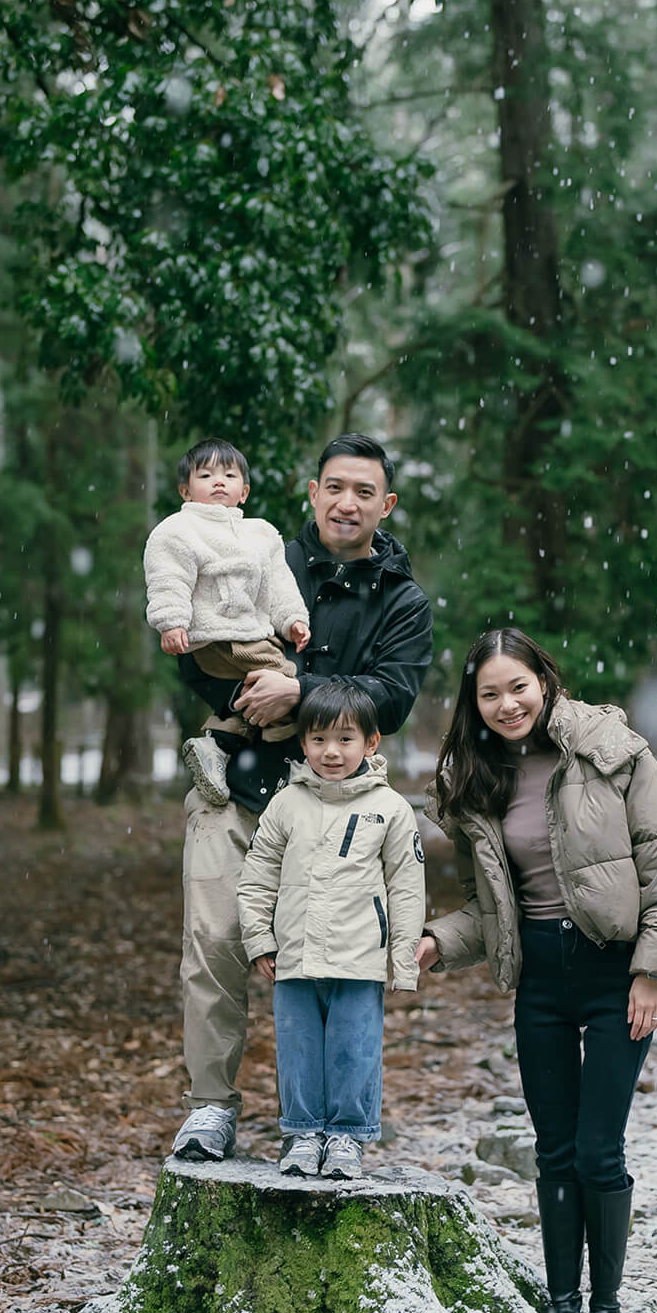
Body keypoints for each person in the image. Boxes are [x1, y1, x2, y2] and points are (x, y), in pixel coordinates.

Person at [416, 629, 657, 1313]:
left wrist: (654, 971)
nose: (507, 704)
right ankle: (561, 1302)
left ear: (544, 680)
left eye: (518, 686)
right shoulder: (476, 782)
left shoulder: (614, 752)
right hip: (541, 981)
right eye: (489, 694)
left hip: (617, 976)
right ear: (474, 705)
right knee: (553, 1150)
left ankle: (607, 1312)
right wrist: (435, 942)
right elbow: (489, 911)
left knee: (597, 1150)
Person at [171, 433, 433, 1163]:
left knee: (330, 965)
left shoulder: (402, 601)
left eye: (363, 492)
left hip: (337, 813)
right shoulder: (258, 556)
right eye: (334, 487)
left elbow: (395, 693)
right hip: (237, 783)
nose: (346, 503)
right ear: (312, 492)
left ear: (386, 504)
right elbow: (195, 641)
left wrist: (303, 691)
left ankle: (329, 1127)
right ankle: (210, 1108)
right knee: (215, 942)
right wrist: (244, 695)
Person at [237, 680, 425, 1181]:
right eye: (318, 739)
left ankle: (346, 1136)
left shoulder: (391, 810)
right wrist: (259, 938)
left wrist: (402, 960)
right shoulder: (285, 805)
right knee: (297, 1046)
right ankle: (302, 1132)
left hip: (359, 956)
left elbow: (407, 889)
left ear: (371, 742)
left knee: (354, 1046)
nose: (331, 751)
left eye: (345, 739)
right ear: (302, 744)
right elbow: (257, 876)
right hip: (294, 955)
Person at [144, 438, 311, 808]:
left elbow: (279, 583)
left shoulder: (262, 534)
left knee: (267, 694)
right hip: (213, 635)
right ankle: (291, 763)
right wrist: (171, 622)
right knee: (282, 684)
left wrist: (293, 620)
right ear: (186, 490)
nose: (219, 481)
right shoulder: (177, 530)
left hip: (255, 634)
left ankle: (218, 747)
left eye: (229, 475)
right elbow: (168, 577)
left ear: (244, 491)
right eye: (206, 475)